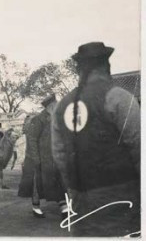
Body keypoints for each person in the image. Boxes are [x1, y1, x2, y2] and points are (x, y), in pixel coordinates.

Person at [52, 42, 140, 237]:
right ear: (106, 65)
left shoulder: (62, 106)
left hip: (80, 198)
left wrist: (74, 188)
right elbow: (139, 147)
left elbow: (59, 155)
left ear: (80, 68)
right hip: (121, 195)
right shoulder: (119, 97)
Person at [18, 94, 67, 218]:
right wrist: (36, 159)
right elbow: (32, 139)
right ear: (50, 106)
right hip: (39, 158)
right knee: (36, 184)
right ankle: (36, 207)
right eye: (56, 104)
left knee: (59, 181)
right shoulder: (38, 119)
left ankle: (64, 207)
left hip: (54, 157)